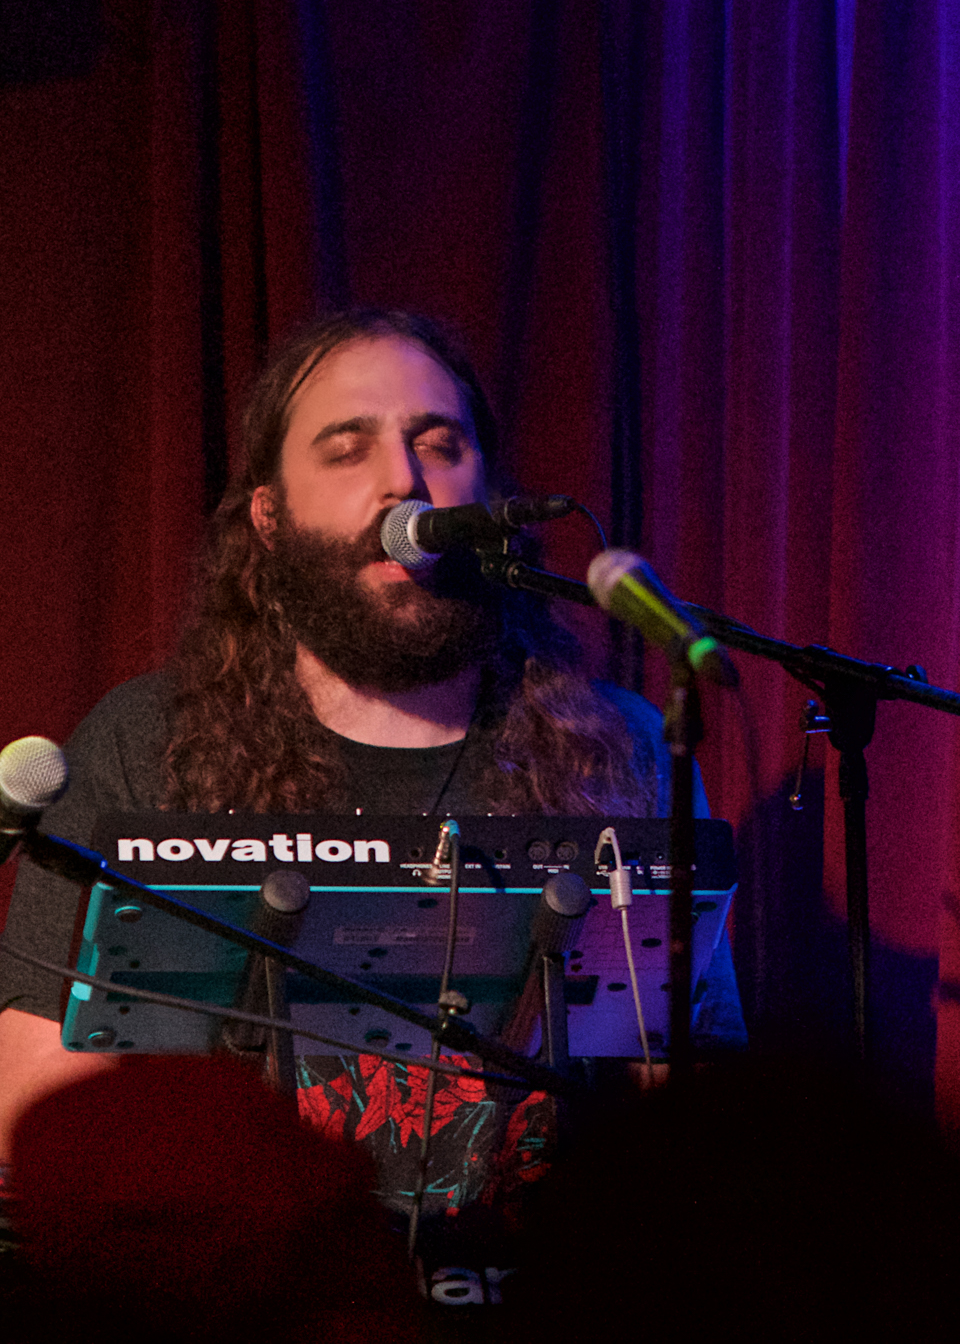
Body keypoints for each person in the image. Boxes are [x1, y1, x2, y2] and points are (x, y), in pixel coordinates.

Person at [0, 308, 744, 1242]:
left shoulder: (624, 748)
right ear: (268, 516)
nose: (404, 480)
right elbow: (38, 1087)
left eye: (439, 443)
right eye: (347, 451)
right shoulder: (146, 738)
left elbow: (693, 1102)